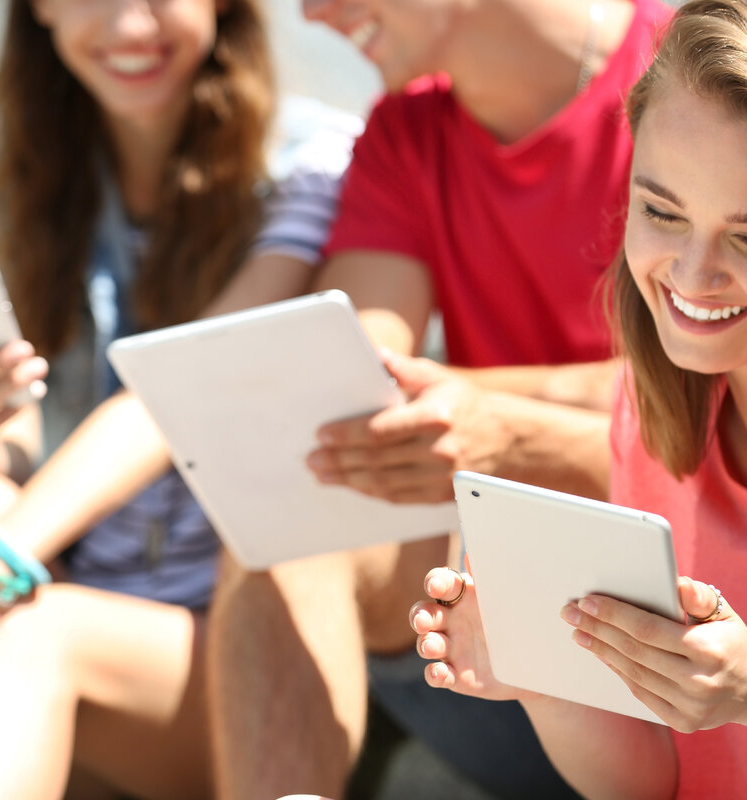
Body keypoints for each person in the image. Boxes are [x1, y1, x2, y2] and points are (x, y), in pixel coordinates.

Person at [0, 0, 358, 796]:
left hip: (236, 646)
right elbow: (12, 462)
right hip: (54, 591)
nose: (130, 27)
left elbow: (186, 389)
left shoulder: (309, 163)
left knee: (38, 633)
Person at [413, 0, 747, 796]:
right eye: (661, 211)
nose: (692, 277)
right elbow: (646, 784)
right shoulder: (653, 414)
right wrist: (538, 670)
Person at [207, 0, 673, 797]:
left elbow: (735, 421)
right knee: (299, 510)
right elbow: (359, 387)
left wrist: (504, 426)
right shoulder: (403, 135)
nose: (311, 14)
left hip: (705, 635)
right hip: (496, 641)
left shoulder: (700, 76)